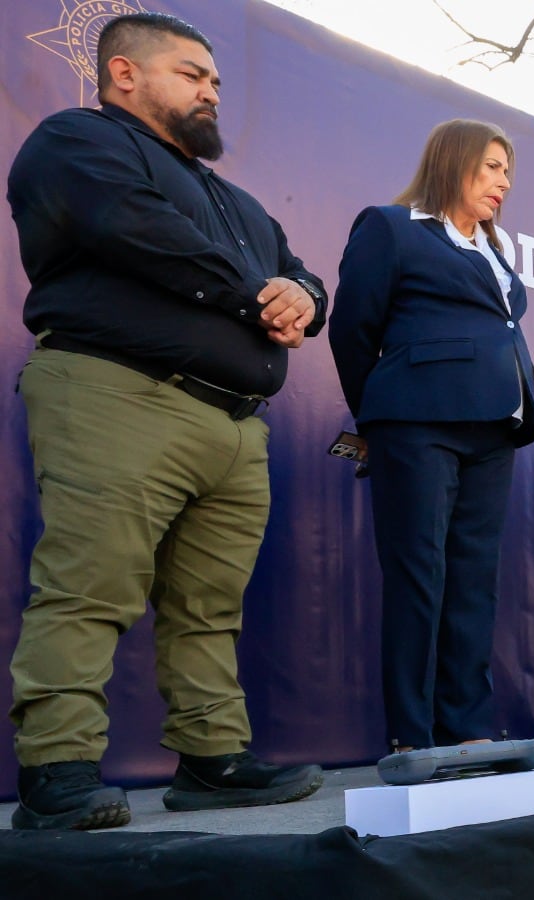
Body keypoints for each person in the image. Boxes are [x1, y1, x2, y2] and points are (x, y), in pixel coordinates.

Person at [5, 12, 325, 830]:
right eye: (191, 74)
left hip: (234, 425)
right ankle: (58, 770)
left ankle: (212, 760)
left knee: (210, 607)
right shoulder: (76, 141)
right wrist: (256, 293)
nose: (211, 89)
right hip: (120, 392)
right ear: (124, 75)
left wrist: (305, 298)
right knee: (88, 587)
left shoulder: (241, 201)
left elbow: (297, 272)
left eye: (216, 79)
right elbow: (136, 228)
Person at [329, 120, 534, 755]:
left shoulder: (494, 251)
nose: (504, 181)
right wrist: (380, 417)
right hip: (415, 424)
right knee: (419, 573)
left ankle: (466, 727)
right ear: (456, 160)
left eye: (509, 171)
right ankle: (412, 737)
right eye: (494, 166)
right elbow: (352, 329)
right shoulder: (391, 226)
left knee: (474, 579)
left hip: (493, 429)